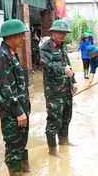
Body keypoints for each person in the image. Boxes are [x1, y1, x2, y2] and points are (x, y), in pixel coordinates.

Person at [0, 19, 31, 175]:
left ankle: (25, 169)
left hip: (20, 108)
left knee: (21, 141)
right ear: (11, 36)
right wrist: (18, 112)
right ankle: (16, 172)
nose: (23, 38)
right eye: (21, 35)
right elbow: (5, 89)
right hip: (12, 112)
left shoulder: (11, 53)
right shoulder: (2, 56)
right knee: (13, 146)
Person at [39, 19, 78, 159]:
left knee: (66, 117)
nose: (62, 35)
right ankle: (52, 150)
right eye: (59, 32)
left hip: (66, 90)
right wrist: (62, 70)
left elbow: (68, 65)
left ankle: (64, 140)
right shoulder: (46, 47)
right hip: (54, 92)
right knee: (54, 120)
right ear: (52, 32)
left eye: (64, 33)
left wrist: (73, 81)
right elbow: (45, 65)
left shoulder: (62, 47)